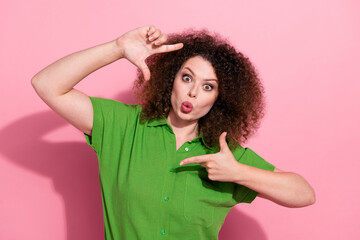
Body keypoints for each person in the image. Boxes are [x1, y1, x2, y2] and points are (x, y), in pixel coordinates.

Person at [31, 25, 316, 240]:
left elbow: (304, 194)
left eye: (208, 86)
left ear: (220, 98)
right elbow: (47, 84)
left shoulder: (224, 155)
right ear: (172, 78)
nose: (193, 91)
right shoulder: (123, 125)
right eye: (187, 77)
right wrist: (117, 48)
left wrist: (238, 173)